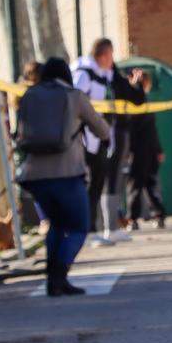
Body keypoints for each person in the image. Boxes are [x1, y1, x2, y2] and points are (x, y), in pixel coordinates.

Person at [15, 57, 113, 296]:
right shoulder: (74, 96)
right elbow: (101, 129)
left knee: (56, 225)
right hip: (68, 173)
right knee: (79, 226)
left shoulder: (29, 96)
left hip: (35, 176)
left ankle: (54, 281)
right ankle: (60, 274)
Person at [72, 38, 147, 245]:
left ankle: (99, 229)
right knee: (89, 184)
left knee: (99, 182)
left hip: (101, 136)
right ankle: (88, 230)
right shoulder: (84, 73)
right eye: (111, 55)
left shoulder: (107, 74)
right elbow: (76, 103)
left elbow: (131, 97)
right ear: (104, 55)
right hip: (85, 138)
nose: (113, 60)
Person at [124, 68, 166, 231]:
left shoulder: (136, 102)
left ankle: (134, 218)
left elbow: (150, 130)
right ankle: (156, 215)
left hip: (139, 150)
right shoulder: (140, 101)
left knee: (138, 185)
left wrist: (158, 149)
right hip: (144, 149)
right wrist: (158, 150)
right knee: (148, 184)